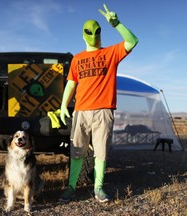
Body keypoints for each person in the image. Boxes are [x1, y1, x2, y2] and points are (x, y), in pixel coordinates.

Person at [59, 4, 138, 203]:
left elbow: (132, 40)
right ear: (83, 35)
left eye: (97, 31)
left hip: (104, 111)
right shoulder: (77, 59)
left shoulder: (111, 54)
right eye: (89, 31)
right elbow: (71, 84)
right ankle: (71, 187)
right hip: (81, 111)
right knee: (77, 150)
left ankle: (99, 188)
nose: (94, 34)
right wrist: (62, 106)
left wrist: (117, 24)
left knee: (100, 151)